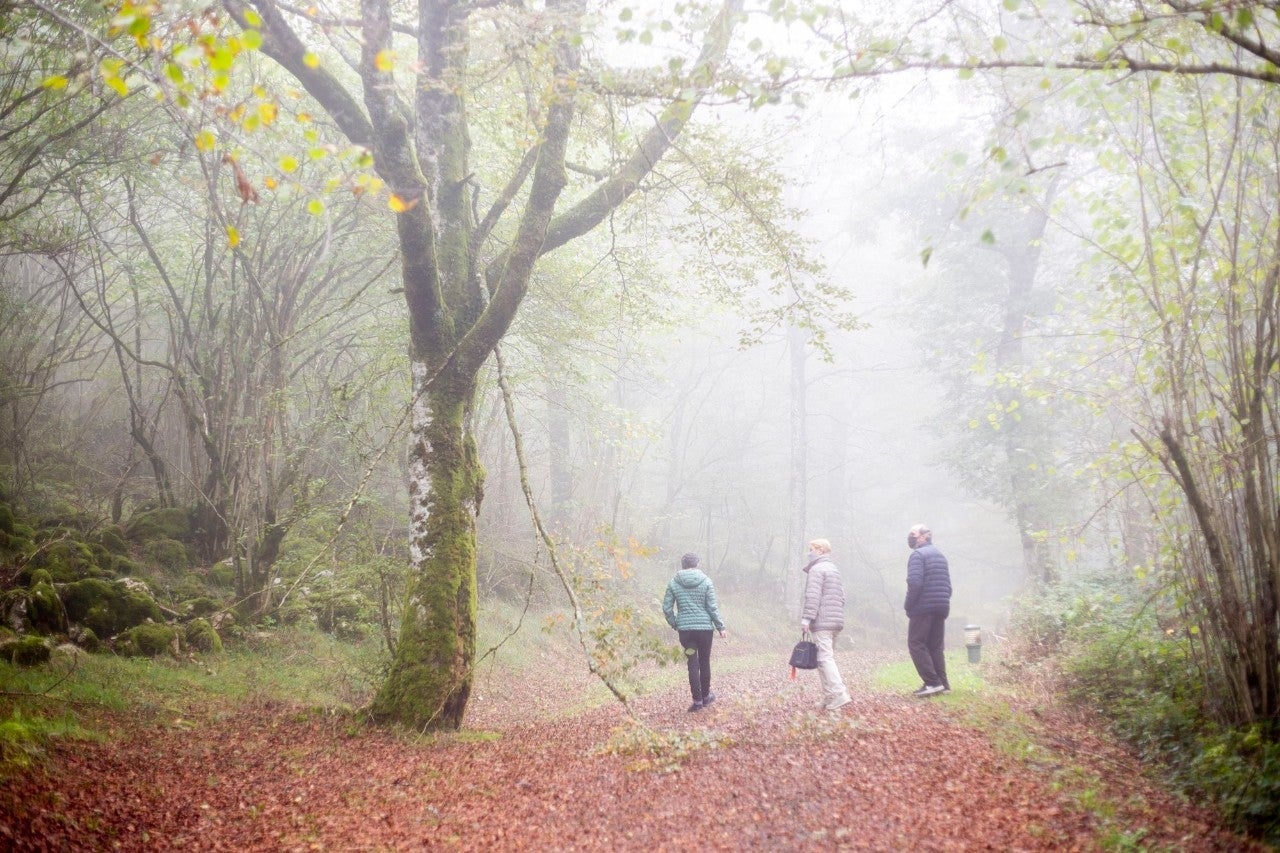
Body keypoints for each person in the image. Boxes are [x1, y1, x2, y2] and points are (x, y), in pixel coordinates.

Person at [662, 553, 727, 712]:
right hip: (704, 631)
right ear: (696, 564)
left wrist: (675, 623)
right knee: (704, 661)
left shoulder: (673, 582)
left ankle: (697, 701)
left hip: (687, 633)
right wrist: (720, 627)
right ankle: (706, 697)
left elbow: (666, 607)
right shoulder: (706, 581)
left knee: (692, 662)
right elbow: (712, 607)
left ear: (682, 565)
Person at [800, 538, 851, 711]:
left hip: (822, 621)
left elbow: (813, 596)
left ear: (820, 550)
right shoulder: (833, 569)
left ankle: (838, 693)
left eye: (811, 549)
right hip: (836, 621)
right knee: (824, 659)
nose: (809, 552)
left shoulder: (817, 569)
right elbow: (842, 597)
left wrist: (807, 618)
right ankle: (829, 696)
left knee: (824, 658)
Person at [904, 523, 952, 697]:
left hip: (923, 607)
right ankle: (943, 684)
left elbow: (914, 583)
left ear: (923, 536)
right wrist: (943, 601)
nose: (910, 537)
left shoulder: (917, 555)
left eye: (913, 534)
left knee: (916, 644)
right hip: (941, 605)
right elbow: (948, 585)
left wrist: (908, 605)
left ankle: (932, 683)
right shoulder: (940, 555)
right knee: (935, 646)